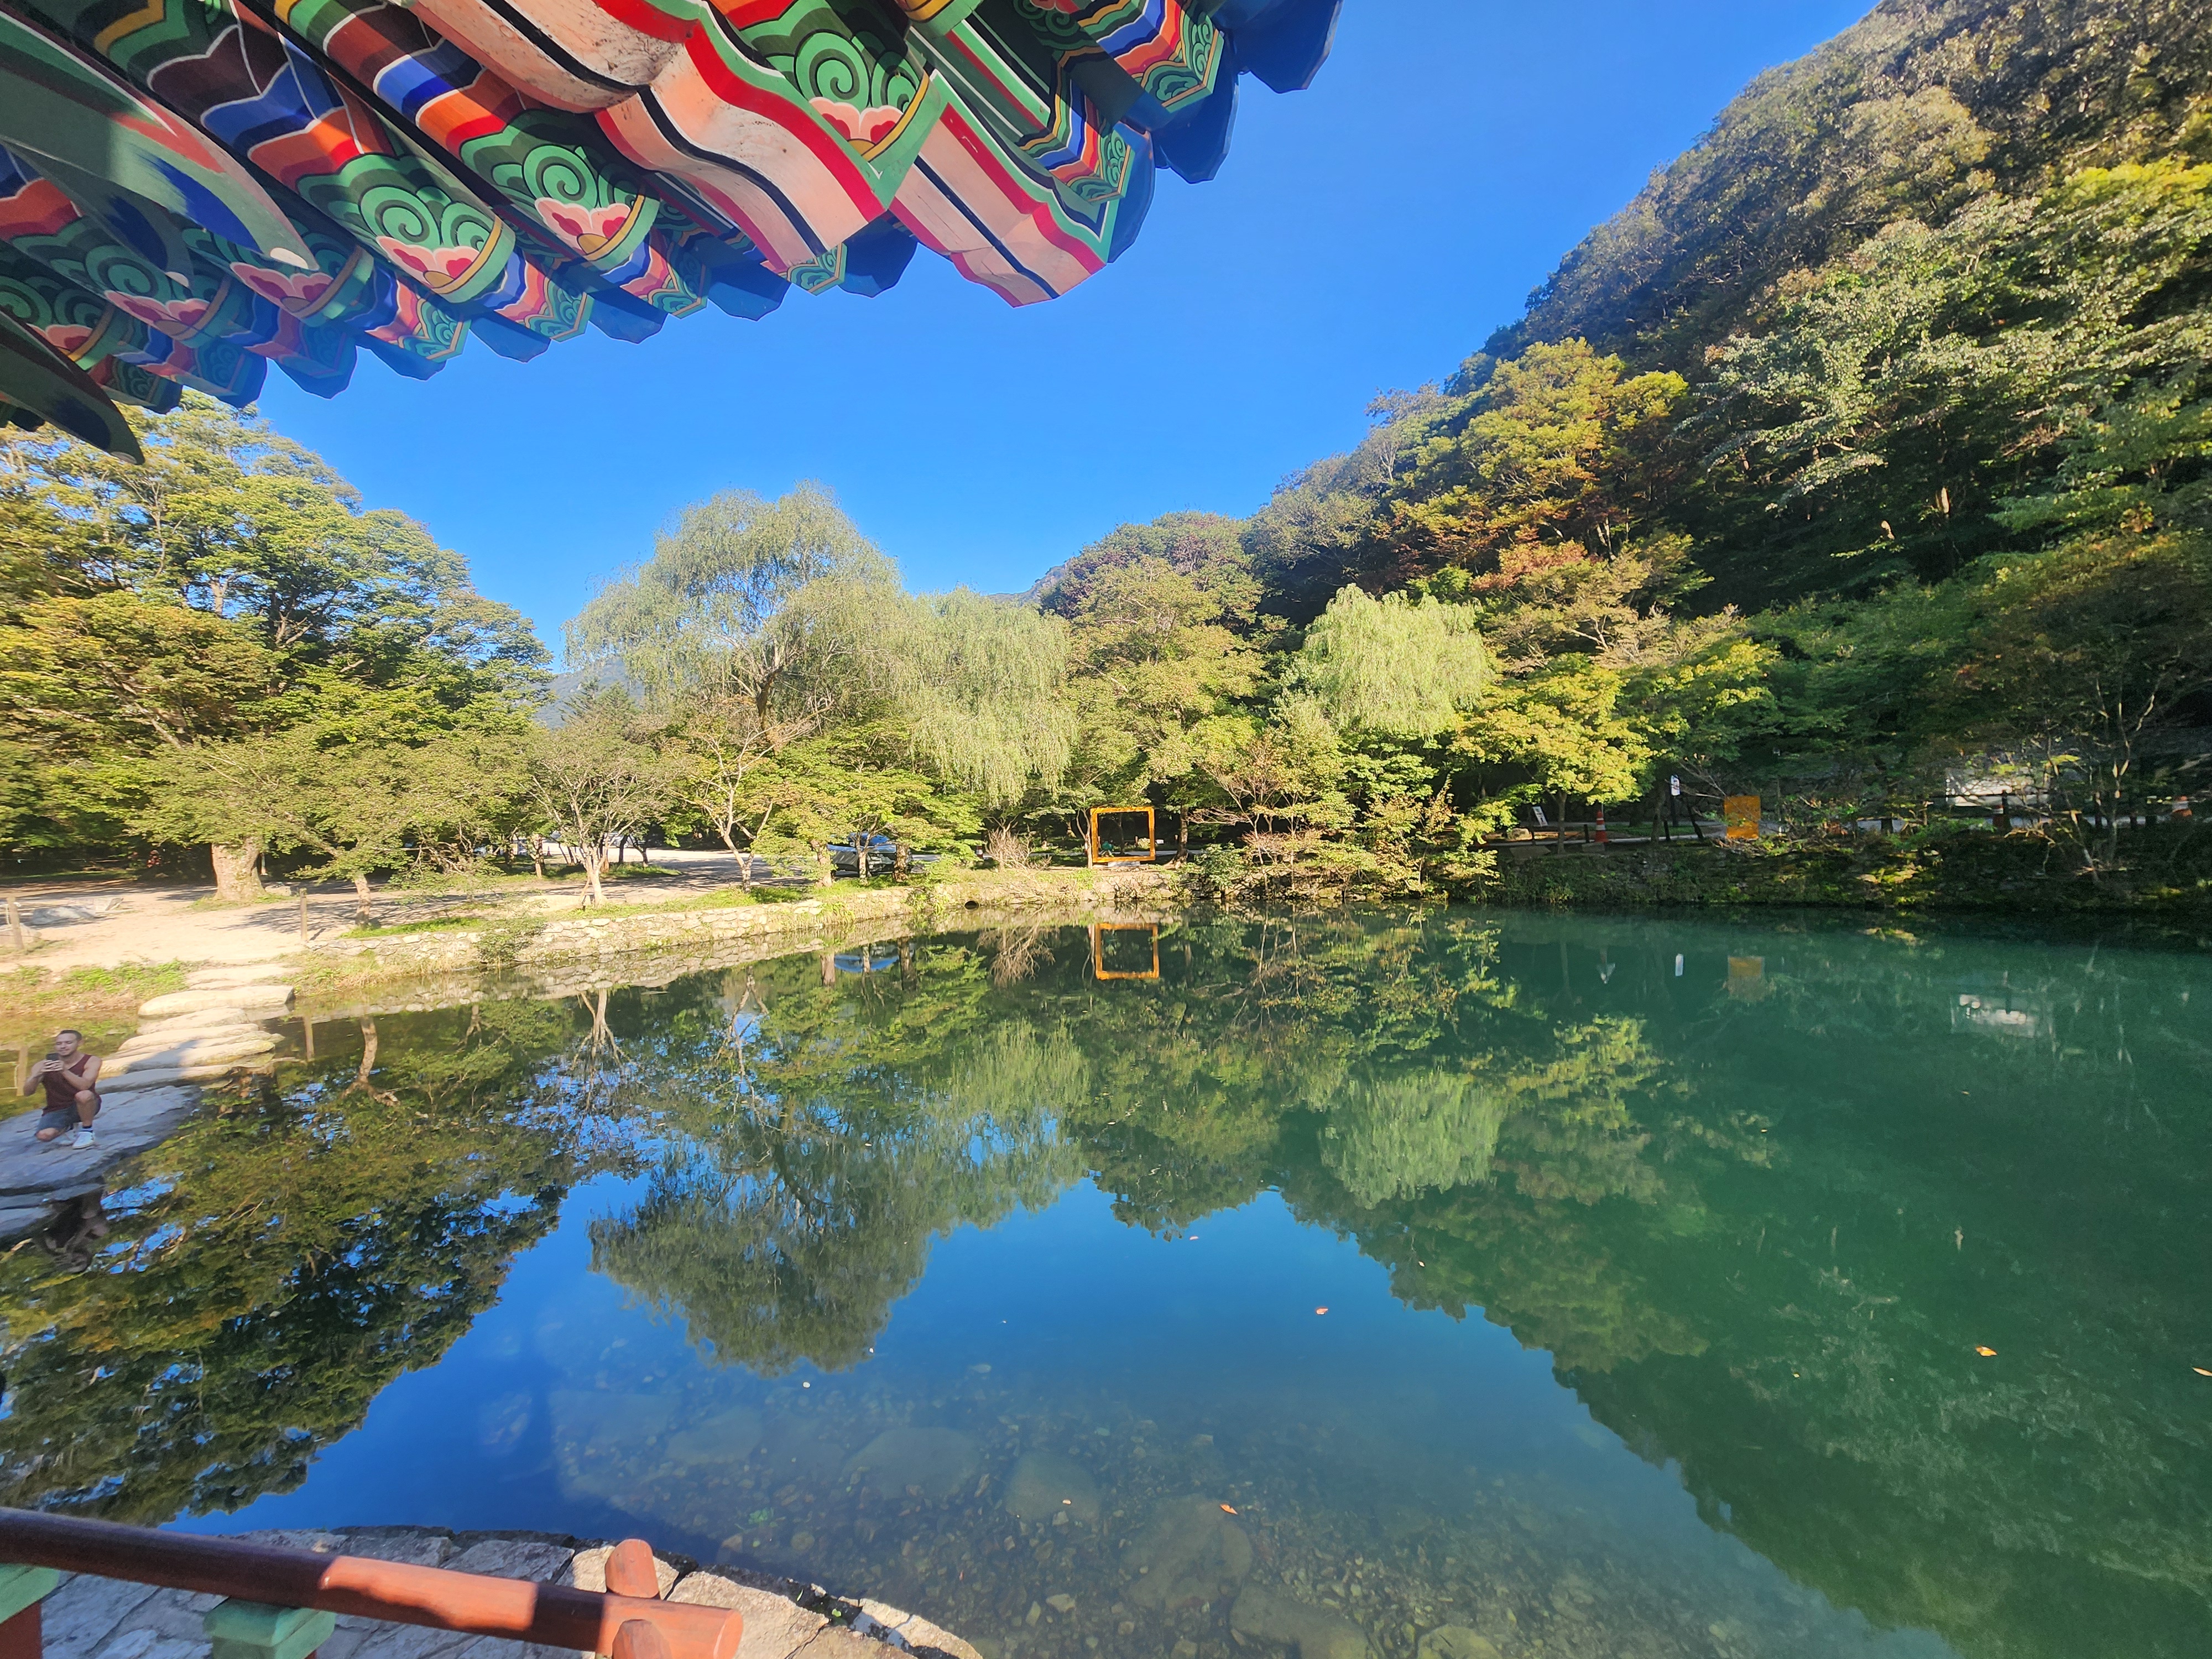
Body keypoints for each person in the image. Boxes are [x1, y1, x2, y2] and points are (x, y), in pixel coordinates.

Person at [25, 1029, 100, 1149]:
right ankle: (69, 1127)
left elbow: (85, 1086)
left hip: (86, 1104)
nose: (63, 1047)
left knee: (84, 1095)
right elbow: (27, 1093)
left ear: (80, 1043)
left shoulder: (92, 1061)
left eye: (68, 1043)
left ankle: (87, 1131)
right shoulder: (42, 1065)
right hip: (57, 1108)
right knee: (44, 1136)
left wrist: (64, 1070)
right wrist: (36, 1075)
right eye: (59, 1044)